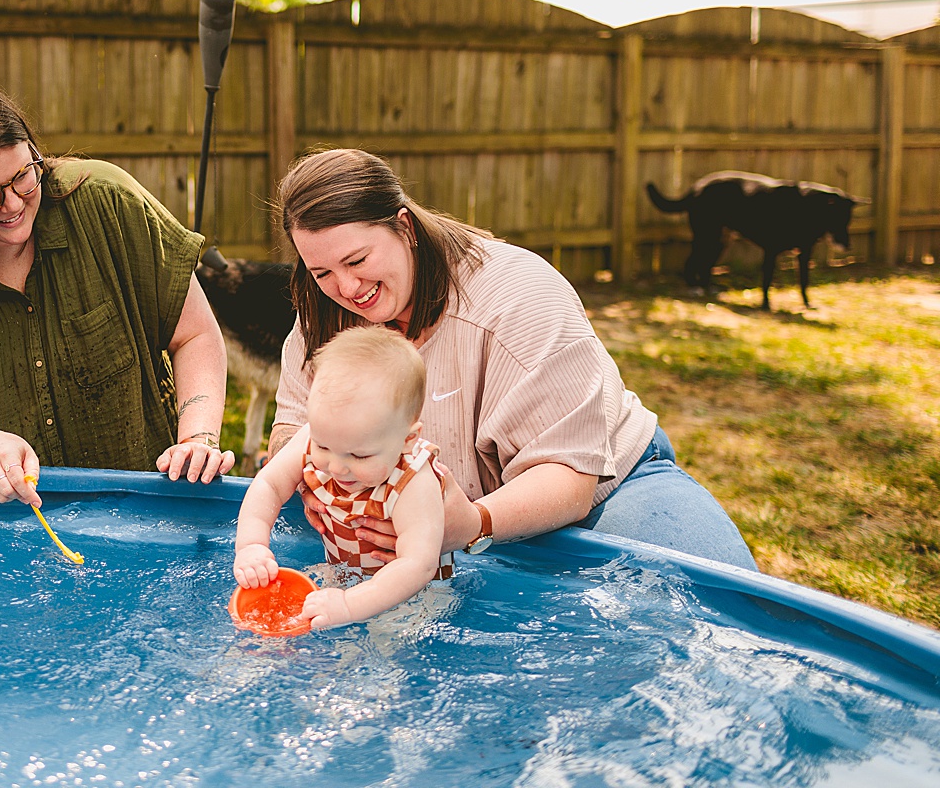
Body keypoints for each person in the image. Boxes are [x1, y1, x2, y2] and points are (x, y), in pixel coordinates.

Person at [269, 147, 757, 571]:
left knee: (720, 625)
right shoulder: (324, 313)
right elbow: (291, 432)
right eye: (322, 271)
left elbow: (569, 477)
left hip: (609, 490)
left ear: (404, 226)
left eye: (357, 261)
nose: (347, 289)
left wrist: (472, 523)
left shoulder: (519, 297)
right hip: (436, 527)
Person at [0, 76, 235, 506]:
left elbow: (195, 334)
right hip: (15, 526)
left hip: (148, 510)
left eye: (24, 175)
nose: (14, 204)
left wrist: (198, 436)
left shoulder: (108, 203)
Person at [235, 326, 451, 629]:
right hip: (344, 577)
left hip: (412, 598)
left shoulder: (413, 480)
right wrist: (251, 546)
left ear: (407, 440)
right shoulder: (317, 435)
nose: (336, 467)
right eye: (324, 446)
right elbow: (269, 484)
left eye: (359, 456)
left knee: (383, 654)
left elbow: (418, 565)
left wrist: (350, 606)